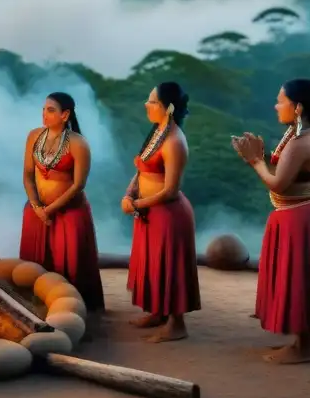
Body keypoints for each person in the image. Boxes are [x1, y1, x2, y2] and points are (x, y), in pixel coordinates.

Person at [231, 79, 310, 364]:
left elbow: (279, 184)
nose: (276, 105)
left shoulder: (302, 141)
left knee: (301, 280)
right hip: (298, 217)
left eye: (280, 100)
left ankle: (304, 347)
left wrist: (255, 161)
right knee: (296, 278)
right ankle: (299, 341)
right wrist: (259, 158)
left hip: (303, 218)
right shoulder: (298, 134)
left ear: (297, 107)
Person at [122, 82, 201, 342]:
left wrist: (137, 205)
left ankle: (176, 324)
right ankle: (157, 312)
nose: (147, 105)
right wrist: (129, 193)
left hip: (167, 213)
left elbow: (170, 190)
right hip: (148, 210)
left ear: (167, 108)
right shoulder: (157, 132)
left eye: (152, 101)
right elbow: (141, 169)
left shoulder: (175, 140)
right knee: (152, 265)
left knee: (169, 267)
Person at [19, 92, 105, 312]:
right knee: (36, 269)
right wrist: (37, 207)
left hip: (69, 213)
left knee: (69, 268)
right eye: (43, 109)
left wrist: (51, 209)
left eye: (51, 110)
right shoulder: (33, 136)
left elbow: (78, 185)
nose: (44, 114)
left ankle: (71, 312)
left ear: (65, 114)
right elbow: (28, 175)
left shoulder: (78, 143)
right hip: (37, 212)